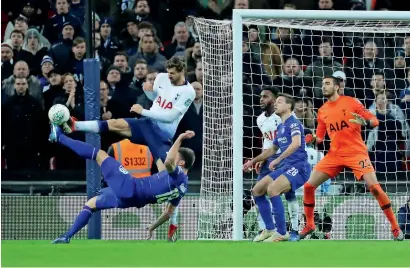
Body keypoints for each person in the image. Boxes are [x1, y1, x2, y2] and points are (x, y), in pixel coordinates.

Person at [50, 127, 196, 244]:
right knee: (91, 204)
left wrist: (180, 138)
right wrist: (152, 227)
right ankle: (66, 236)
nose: (171, 156)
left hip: (131, 187)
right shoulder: (182, 187)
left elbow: (169, 162)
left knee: (99, 155)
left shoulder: (177, 173)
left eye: (176, 156)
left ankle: (59, 137)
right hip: (132, 200)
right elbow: (169, 212)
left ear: (181, 163)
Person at [302, 76, 404, 241]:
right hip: (334, 154)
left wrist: (364, 121)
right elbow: (320, 137)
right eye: (322, 84)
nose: (323, 87)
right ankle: (310, 224)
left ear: (336, 87)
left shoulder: (351, 102)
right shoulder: (322, 111)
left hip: (356, 153)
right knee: (308, 186)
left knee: (376, 189)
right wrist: (311, 138)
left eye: (327, 84)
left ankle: (395, 227)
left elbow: (375, 121)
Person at [61, 56, 195, 164]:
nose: (169, 75)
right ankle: (75, 125)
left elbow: (170, 117)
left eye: (172, 73)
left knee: (165, 166)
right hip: (147, 123)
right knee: (115, 124)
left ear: (182, 72)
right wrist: (148, 92)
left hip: (162, 134)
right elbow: (156, 99)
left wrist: (143, 111)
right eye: (168, 72)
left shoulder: (188, 92)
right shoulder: (162, 77)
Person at [243, 93, 311, 242]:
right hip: (286, 166)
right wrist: (252, 161)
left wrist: (278, 160)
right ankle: (269, 229)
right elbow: (272, 149)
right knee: (257, 190)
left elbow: (296, 143)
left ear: (288, 106)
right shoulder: (280, 126)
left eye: (279, 102)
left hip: (299, 167)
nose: (276, 104)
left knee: (273, 189)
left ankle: (282, 232)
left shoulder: (294, 123)